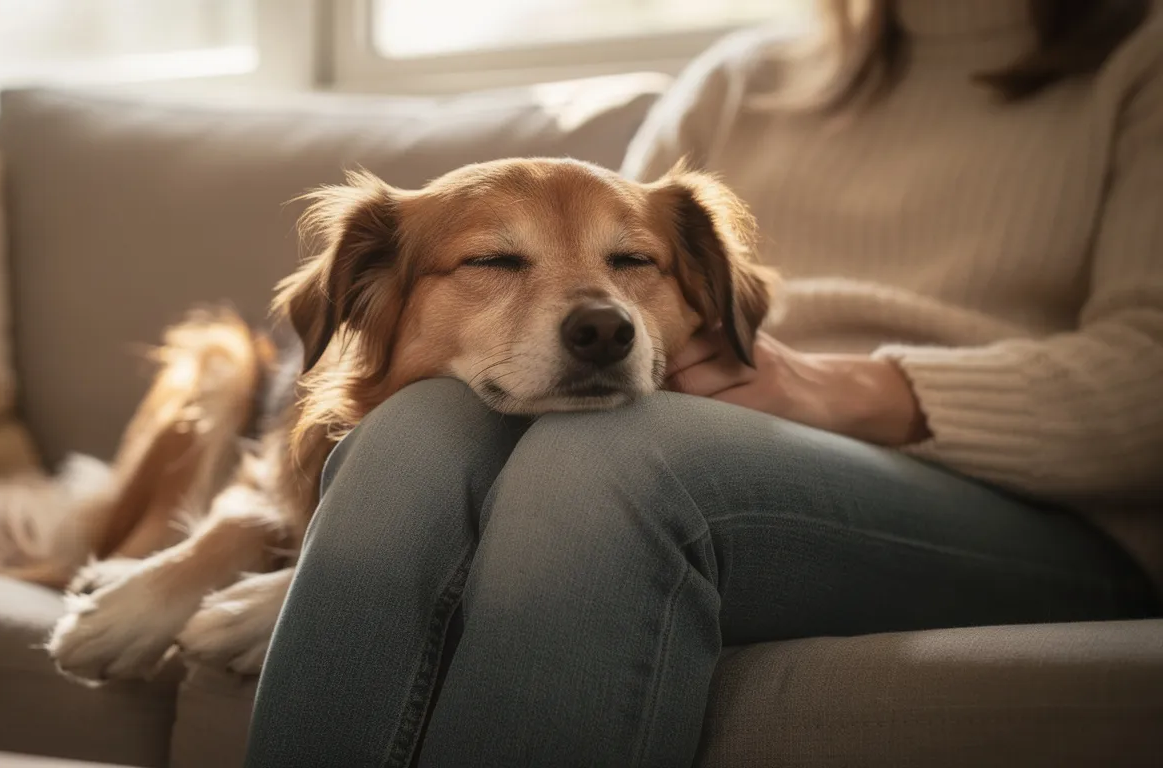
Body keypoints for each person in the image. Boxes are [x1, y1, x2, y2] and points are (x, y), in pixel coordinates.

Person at [244, 1, 1163, 765]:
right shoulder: (739, 80)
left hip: (1037, 510)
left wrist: (841, 390)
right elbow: (591, 262)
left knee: (614, 455)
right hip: (732, 438)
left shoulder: (1141, 62)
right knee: (412, 430)